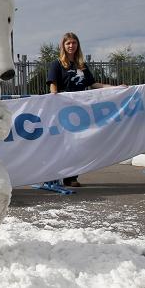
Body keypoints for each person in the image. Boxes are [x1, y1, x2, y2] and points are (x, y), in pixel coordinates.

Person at [46, 32, 116, 187]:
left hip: (80, 111)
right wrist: (55, 98)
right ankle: (51, 174)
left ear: (78, 45)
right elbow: (53, 84)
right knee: (62, 144)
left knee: (77, 144)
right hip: (63, 110)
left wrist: (115, 88)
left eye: (74, 43)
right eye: (68, 43)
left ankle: (71, 177)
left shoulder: (82, 66)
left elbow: (93, 84)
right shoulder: (57, 64)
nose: (71, 46)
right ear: (63, 46)